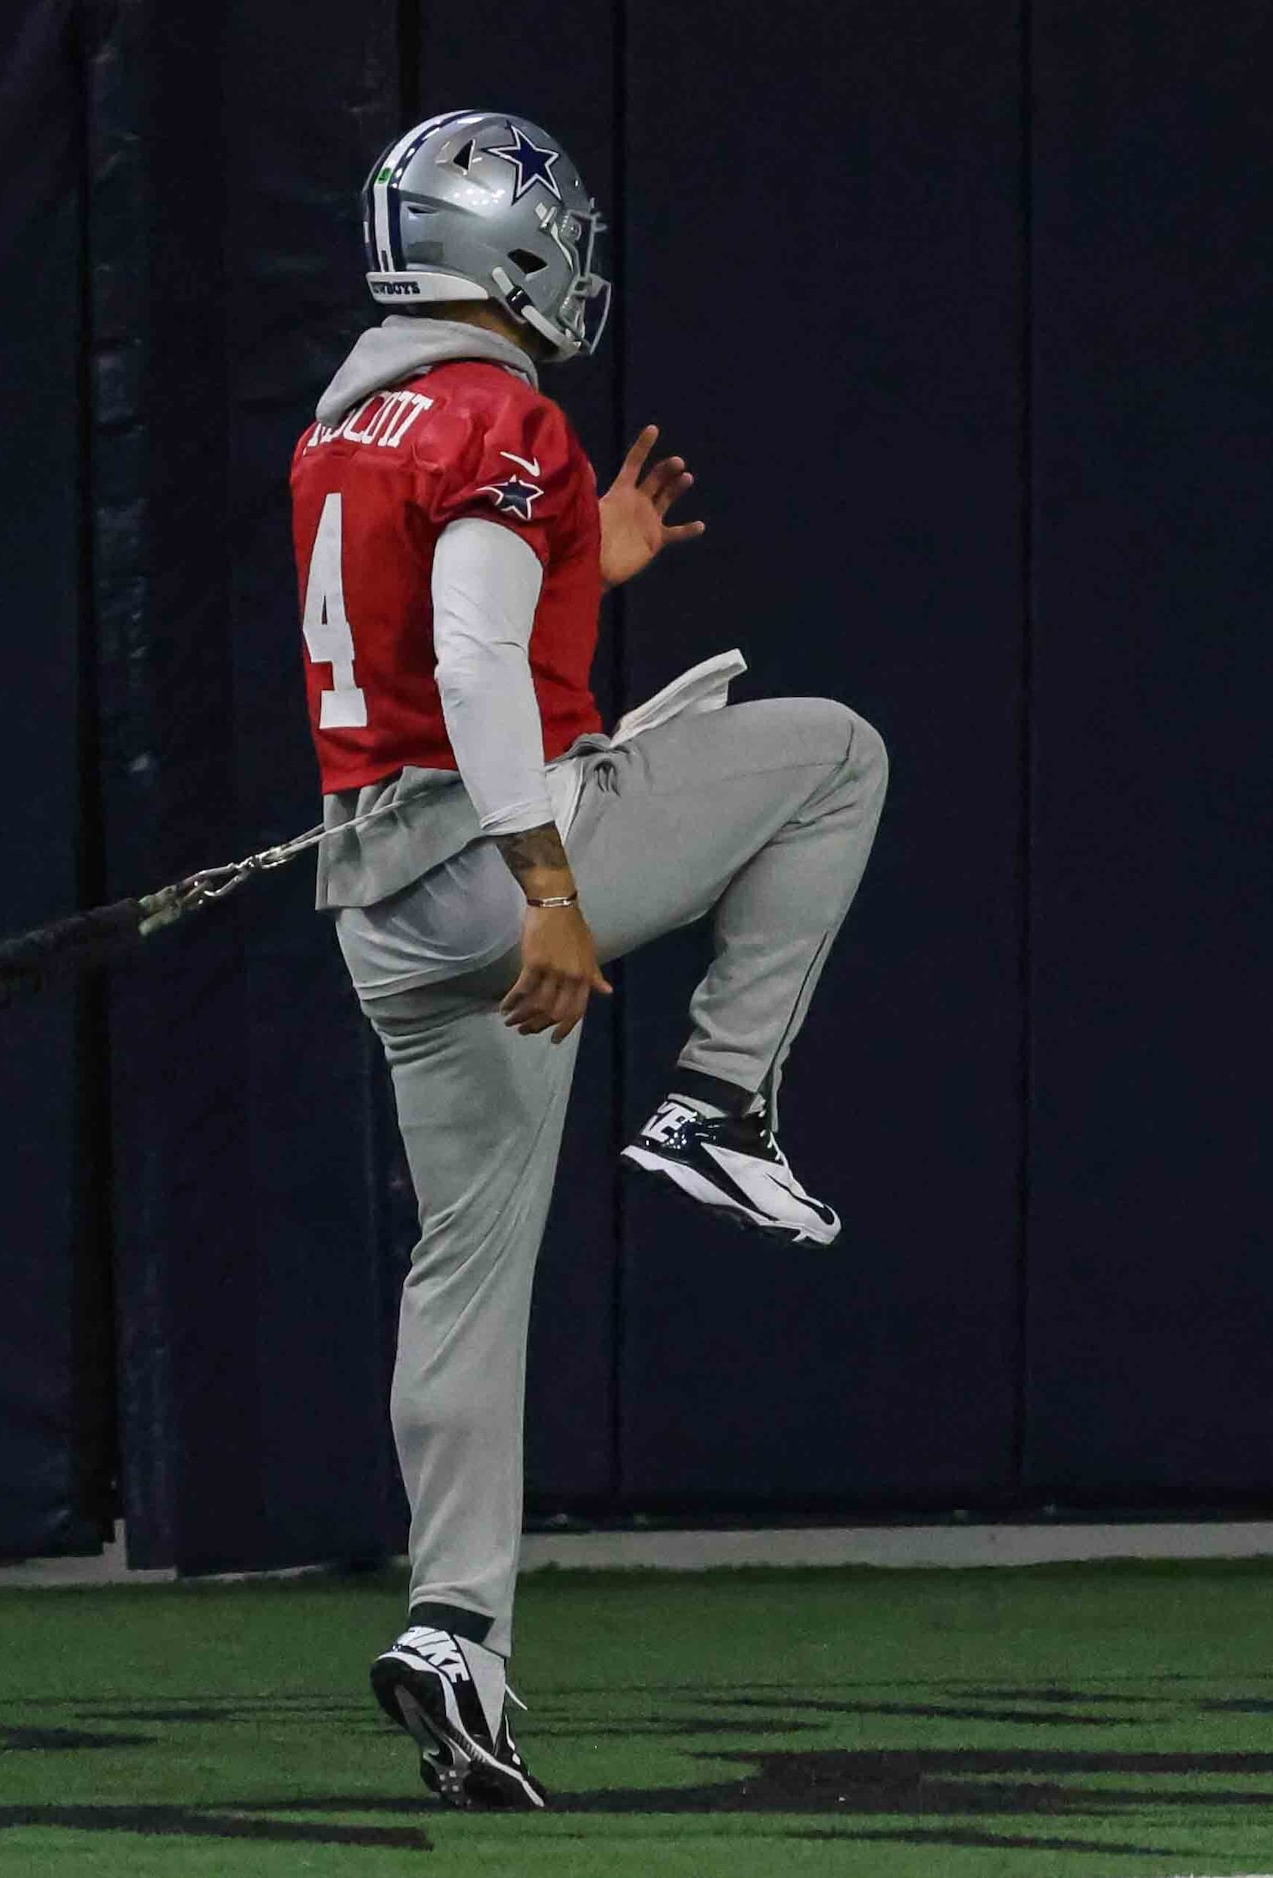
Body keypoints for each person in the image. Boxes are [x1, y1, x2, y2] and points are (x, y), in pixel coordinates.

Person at [298, 110, 890, 1809]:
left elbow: (444, 630)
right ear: (513, 252)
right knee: (834, 749)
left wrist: (587, 561)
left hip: (383, 910)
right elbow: (476, 669)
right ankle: (717, 1101)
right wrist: (549, 883)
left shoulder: (348, 413)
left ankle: (456, 1630)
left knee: (466, 1274)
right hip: (497, 870)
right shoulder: (497, 407)